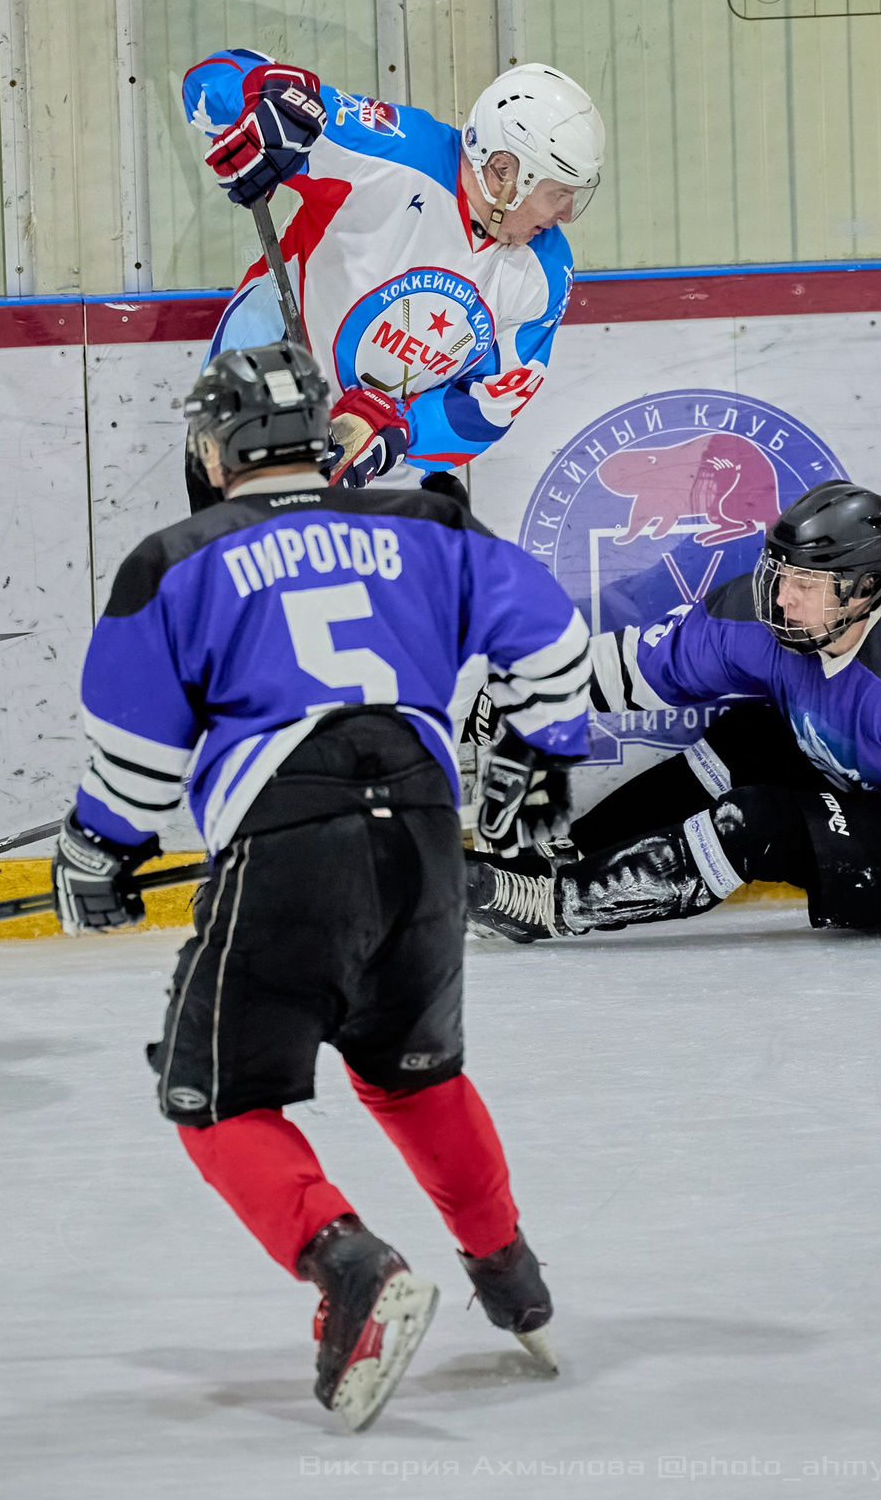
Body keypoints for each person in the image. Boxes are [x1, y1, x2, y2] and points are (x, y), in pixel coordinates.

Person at [50, 339, 588, 1430]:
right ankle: (511, 1277)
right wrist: (542, 740)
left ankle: (349, 1266)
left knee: (212, 1094)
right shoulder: (428, 521)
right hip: (425, 833)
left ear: (214, 449)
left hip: (289, 838)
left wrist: (98, 854)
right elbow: (558, 653)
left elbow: (138, 762)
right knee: (412, 1068)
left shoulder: (175, 555)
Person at [465, 483, 881, 953]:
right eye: (780, 573)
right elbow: (643, 666)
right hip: (875, 790)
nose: (783, 596)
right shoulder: (767, 620)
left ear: (861, 588)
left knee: (760, 818)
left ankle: (557, 904)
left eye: (808, 581)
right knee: (755, 737)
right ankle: (569, 859)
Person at [178, 52, 602, 507]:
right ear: (505, 171)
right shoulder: (394, 152)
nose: (565, 216)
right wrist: (260, 100)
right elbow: (210, 79)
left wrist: (398, 427)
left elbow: (489, 403)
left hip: (385, 476)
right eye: (558, 194)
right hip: (252, 440)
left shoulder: (546, 269)